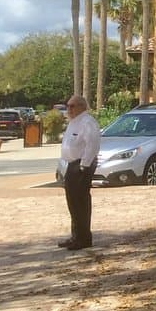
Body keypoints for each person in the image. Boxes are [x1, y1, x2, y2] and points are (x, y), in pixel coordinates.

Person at [58, 95, 101, 250]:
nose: (69, 109)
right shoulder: (73, 122)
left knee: (80, 202)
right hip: (71, 165)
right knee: (73, 202)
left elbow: (92, 145)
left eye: (72, 106)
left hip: (81, 166)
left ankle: (84, 238)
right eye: (68, 106)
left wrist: (84, 165)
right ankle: (76, 236)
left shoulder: (87, 122)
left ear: (82, 106)